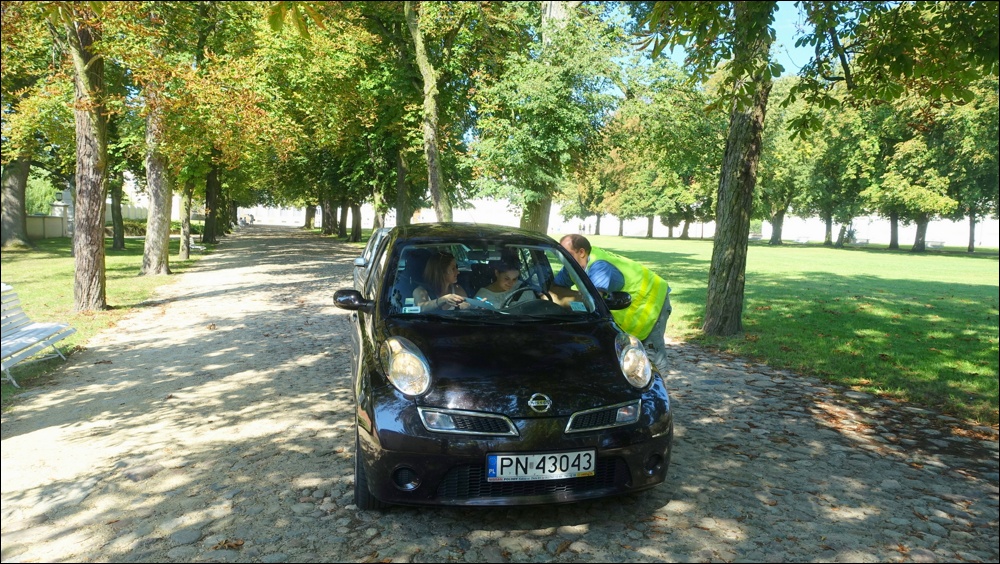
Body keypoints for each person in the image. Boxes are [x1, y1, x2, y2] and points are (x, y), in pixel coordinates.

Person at [552, 234, 672, 372]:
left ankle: (657, 384)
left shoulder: (599, 266)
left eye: (567, 254)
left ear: (582, 252)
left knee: (651, 360)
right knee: (628, 358)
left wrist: (567, 299)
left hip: (653, 301)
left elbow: (593, 301)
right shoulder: (572, 265)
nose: (563, 259)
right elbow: (554, 288)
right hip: (633, 306)